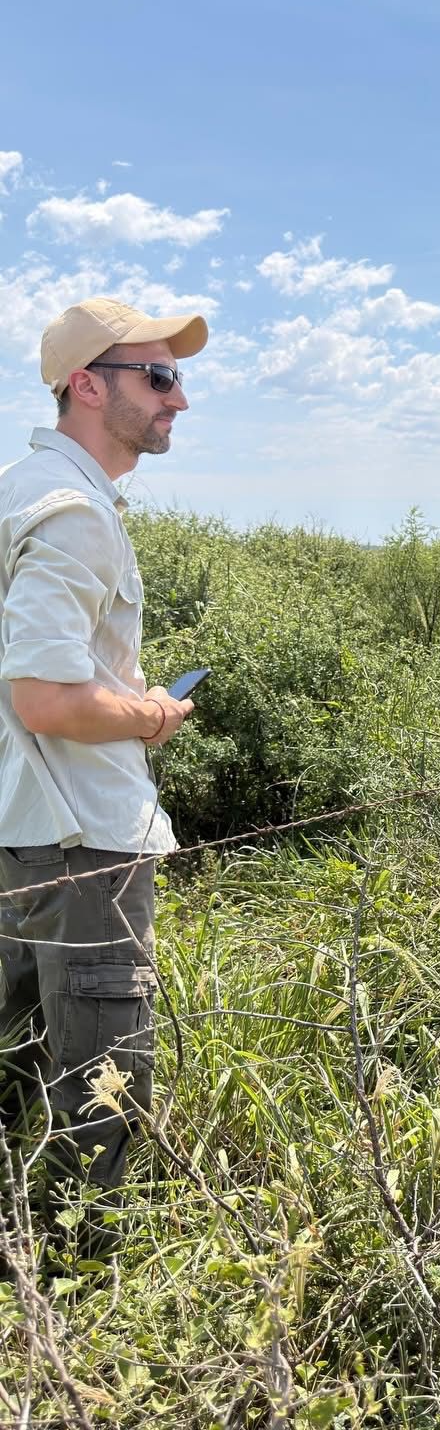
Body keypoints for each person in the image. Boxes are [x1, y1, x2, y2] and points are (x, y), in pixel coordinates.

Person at [0, 297, 206, 1257]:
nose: (180, 400)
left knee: (19, 1056)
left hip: (21, 826)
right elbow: (45, 696)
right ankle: (86, 1291)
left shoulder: (19, 488)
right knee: (102, 1083)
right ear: (89, 385)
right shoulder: (75, 512)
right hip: (83, 842)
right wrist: (153, 714)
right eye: (158, 378)